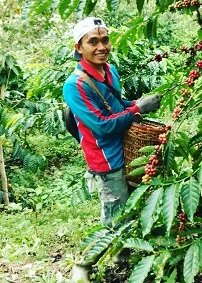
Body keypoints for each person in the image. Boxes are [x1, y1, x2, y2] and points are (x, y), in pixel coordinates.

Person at [63, 17, 161, 282]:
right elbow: (101, 125)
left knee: (129, 205)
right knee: (114, 216)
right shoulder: (75, 85)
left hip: (125, 147)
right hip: (105, 158)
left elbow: (117, 106)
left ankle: (122, 254)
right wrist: (138, 110)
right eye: (92, 42)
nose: (101, 46)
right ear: (79, 47)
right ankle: (83, 266)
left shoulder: (110, 70)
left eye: (104, 39)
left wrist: (136, 104)